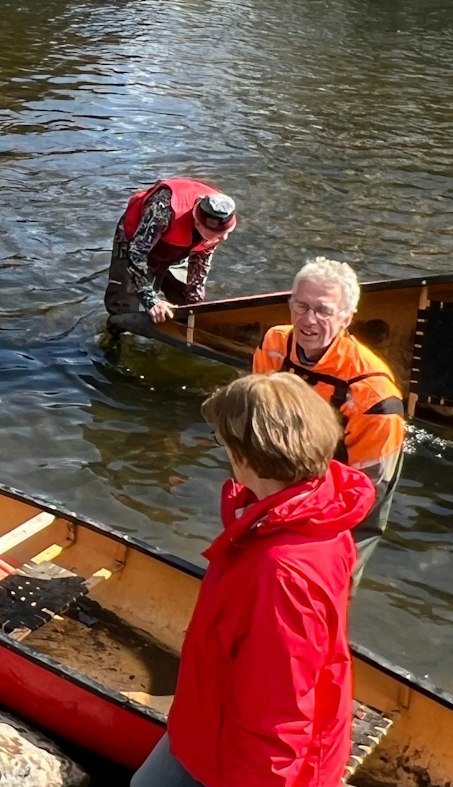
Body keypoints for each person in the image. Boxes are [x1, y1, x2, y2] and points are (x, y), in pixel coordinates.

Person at [69, 372, 372, 787]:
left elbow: (279, 723)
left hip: (270, 753)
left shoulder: (283, 573)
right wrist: (245, 500)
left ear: (249, 455)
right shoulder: (304, 503)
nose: (219, 453)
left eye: (224, 443)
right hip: (214, 716)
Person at [251, 258, 405, 573]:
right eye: (300, 306)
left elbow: (363, 494)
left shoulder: (375, 397)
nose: (308, 320)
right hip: (296, 447)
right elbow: (259, 418)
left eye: (323, 311)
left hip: (357, 465)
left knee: (334, 563)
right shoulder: (274, 343)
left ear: (347, 318)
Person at [105, 177, 237, 326]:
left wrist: (195, 306)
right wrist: (151, 300)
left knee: (183, 297)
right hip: (135, 241)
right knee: (125, 302)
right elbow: (136, 253)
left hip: (176, 247)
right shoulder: (164, 209)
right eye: (218, 234)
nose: (224, 238)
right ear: (198, 223)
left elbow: (201, 264)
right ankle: (115, 336)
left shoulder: (221, 212)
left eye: (227, 232)